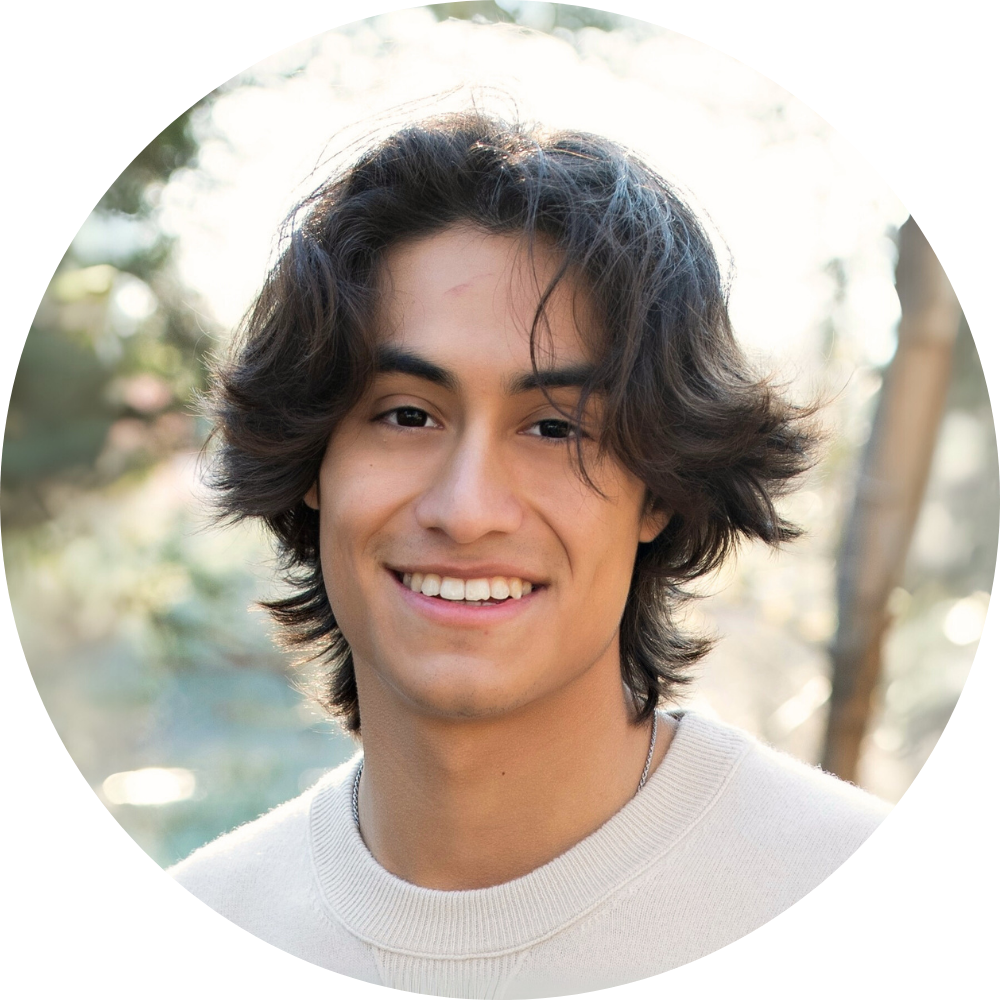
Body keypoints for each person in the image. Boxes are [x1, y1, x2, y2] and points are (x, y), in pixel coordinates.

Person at [170, 111, 891, 989]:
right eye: (406, 415)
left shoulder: (824, 866)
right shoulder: (222, 901)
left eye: (555, 428)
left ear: (658, 492)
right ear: (313, 460)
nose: (466, 511)